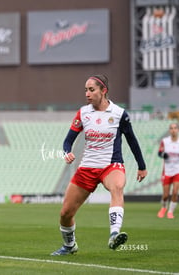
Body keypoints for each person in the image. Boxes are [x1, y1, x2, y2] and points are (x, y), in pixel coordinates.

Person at [51, 74, 147, 256]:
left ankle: (114, 234)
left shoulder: (119, 114)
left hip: (111, 165)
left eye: (91, 90)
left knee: (117, 188)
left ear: (104, 91)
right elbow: (67, 141)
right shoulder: (83, 113)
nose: (87, 94)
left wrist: (141, 166)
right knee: (65, 213)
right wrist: (67, 152)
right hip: (87, 167)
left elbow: (132, 141)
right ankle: (70, 246)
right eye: (86, 90)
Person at [157, 123, 179, 219]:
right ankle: (164, 207)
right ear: (169, 130)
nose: (173, 130)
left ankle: (170, 211)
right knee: (165, 195)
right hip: (167, 171)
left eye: (175, 128)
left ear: (177, 130)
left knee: (175, 192)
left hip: (177, 170)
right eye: (171, 128)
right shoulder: (165, 141)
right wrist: (163, 155)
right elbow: (159, 152)